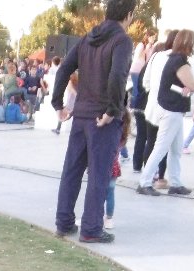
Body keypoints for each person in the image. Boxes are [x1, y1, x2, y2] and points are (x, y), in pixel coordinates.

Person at [51, 0, 136, 244]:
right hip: (102, 118)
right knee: (99, 175)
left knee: (72, 171)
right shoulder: (121, 41)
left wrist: (58, 104)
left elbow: (63, 69)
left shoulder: (87, 38)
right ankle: (91, 228)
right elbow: (117, 75)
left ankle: (64, 222)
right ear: (129, 15)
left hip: (82, 114)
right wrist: (113, 109)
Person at [137, 29, 194, 197]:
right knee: (161, 148)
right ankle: (144, 182)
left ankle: (175, 183)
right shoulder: (179, 61)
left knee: (176, 149)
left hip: (171, 108)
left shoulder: (173, 59)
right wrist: (191, 86)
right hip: (171, 110)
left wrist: (188, 86)